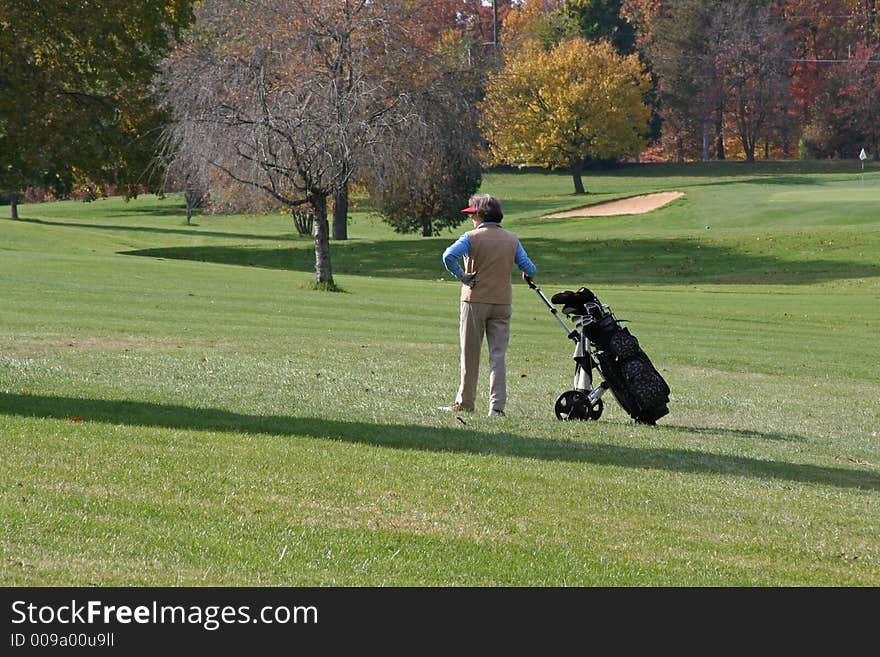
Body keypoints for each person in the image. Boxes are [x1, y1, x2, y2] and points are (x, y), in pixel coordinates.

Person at [440, 194, 537, 417]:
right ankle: (497, 407)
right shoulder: (512, 239)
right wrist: (523, 272)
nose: (471, 218)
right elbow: (530, 268)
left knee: (470, 354)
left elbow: (448, 256)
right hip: (502, 302)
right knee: (498, 356)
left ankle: (465, 402)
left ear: (481, 215)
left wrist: (463, 276)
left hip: (474, 300)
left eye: (473, 214)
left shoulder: (471, 237)